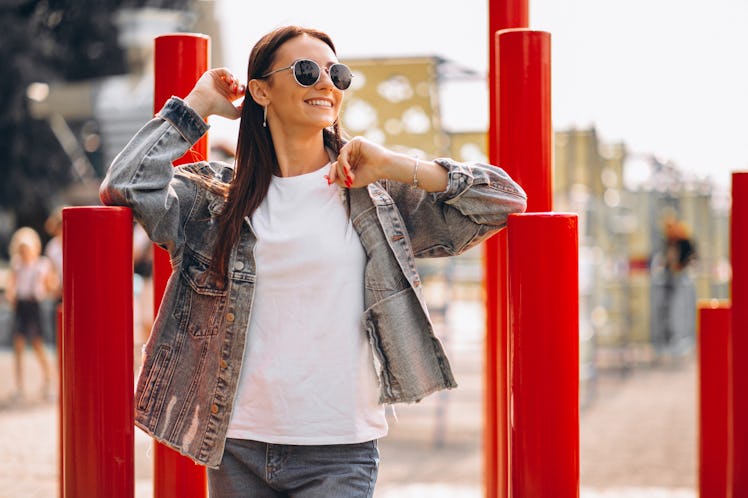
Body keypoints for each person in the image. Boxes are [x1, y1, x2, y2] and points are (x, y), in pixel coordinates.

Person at [100, 25, 526, 497]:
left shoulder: (373, 194)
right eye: (306, 72)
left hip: (339, 450)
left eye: (336, 74)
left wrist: (397, 164)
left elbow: (505, 201)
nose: (326, 84)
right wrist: (196, 105)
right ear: (260, 90)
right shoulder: (215, 202)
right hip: (237, 443)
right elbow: (126, 185)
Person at [5, 226, 56, 400]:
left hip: (34, 306)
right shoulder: (17, 266)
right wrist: (10, 296)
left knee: (37, 345)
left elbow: (50, 286)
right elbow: (11, 286)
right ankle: (19, 386)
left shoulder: (41, 266)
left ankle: (48, 379)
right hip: (21, 305)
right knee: (18, 345)